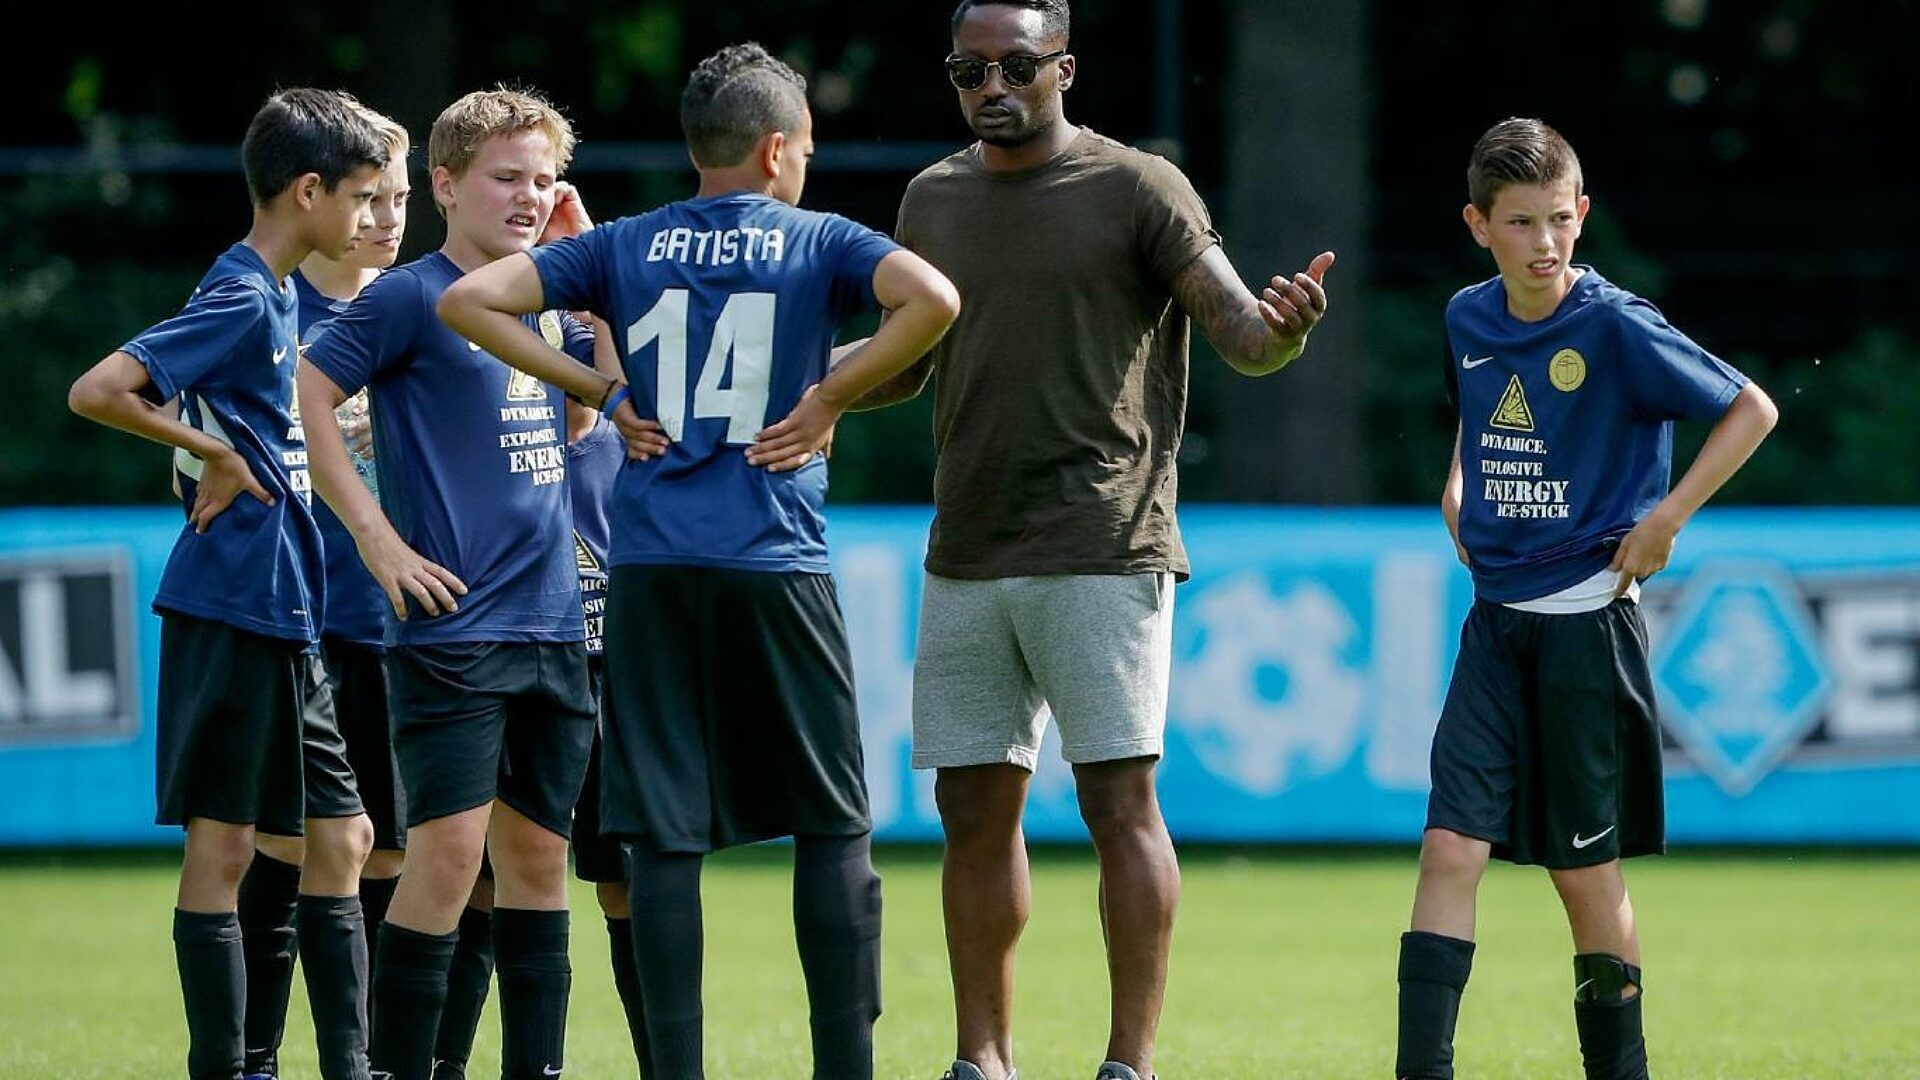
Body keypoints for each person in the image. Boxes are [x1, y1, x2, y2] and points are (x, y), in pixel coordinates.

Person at [438, 42, 961, 1079]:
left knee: (663, 834)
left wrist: (602, 393)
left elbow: (469, 303)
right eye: (806, 146)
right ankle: (841, 1069)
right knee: (829, 823)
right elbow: (935, 300)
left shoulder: (624, 244)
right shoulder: (816, 236)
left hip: (653, 568)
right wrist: (827, 400)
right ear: (777, 151)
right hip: (775, 558)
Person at [850, 3, 1333, 1078]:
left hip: (1104, 543)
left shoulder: (1139, 186)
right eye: (968, 69)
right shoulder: (933, 196)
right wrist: (818, 396)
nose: (992, 86)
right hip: (966, 547)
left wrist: (1286, 331)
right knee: (971, 812)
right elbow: (910, 360)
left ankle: (1130, 1063)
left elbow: (1244, 337)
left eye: (1016, 64)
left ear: (1064, 67)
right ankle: (983, 1060)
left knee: (1120, 803)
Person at [1393, 117, 1778, 1080]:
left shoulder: (1614, 323)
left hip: (1587, 630)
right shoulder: (1466, 318)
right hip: (1494, 626)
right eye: (1520, 223)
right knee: (1448, 850)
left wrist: (1670, 518)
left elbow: (1752, 408)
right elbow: (1478, 416)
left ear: (1584, 214)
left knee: (1582, 875)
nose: (1546, 243)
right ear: (1479, 224)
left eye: (1560, 220)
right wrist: (1457, 480)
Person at [66, 88, 387, 1080]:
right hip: (231, 599)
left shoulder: (281, 293)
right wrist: (207, 447)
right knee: (228, 847)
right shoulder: (245, 293)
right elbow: (99, 389)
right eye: (364, 196)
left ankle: (350, 1064)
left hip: (289, 604)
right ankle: (232, 1067)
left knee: (346, 838)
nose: (375, 217)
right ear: (307, 191)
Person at [297, 87, 598, 1080]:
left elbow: (585, 423)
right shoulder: (407, 295)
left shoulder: (541, 295)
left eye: (543, 178)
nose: (528, 195)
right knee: (447, 861)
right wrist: (379, 542)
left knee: (540, 865)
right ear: (446, 183)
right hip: (453, 632)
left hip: (555, 624)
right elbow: (306, 394)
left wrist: (580, 260)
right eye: (505, 177)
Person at [234, 100, 411, 1080]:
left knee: (386, 851)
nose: (387, 216)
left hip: (396, 627)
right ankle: (256, 1055)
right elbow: (194, 468)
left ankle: (375, 1059)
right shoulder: (262, 306)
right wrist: (302, 447)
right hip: (292, 618)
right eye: (370, 195)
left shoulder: (432, 306)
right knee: (279, 843)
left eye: (398, 195)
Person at [562, 391, 656, 1074]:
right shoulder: (495, 438)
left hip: (617, 676)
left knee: (624, 880)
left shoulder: (632, 442)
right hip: (515, 661)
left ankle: (662, 1061)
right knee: (477, 873)